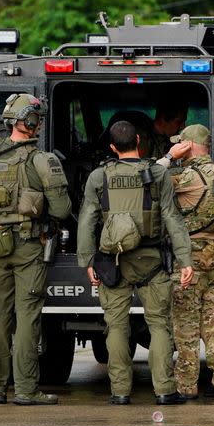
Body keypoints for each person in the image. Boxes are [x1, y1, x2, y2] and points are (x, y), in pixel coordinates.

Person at [0, 93, 72, 406]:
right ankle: (25, 390)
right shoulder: (42, 160)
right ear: (32, 122)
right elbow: (62, 209)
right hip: (27, 247)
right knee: (27, 318)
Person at [76, 119, 193, 405]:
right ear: (139, 142)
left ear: (113, 147)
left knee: (116, 327)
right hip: (151, 259)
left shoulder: (98, 177)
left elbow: (87, 220)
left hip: (111, 262)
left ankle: (120, 392)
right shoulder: (157, 174)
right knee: (159, 325)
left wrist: (87, 261)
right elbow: (172, 218)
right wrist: (185, 258)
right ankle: (164, 391)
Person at [157, 124, 214, 399]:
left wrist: (169, 157)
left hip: (191, 254)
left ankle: (186, 387)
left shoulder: (189, 176)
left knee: (185, 323)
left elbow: (150, 178)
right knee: (213, 321)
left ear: (188, 145)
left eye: (181, 143)